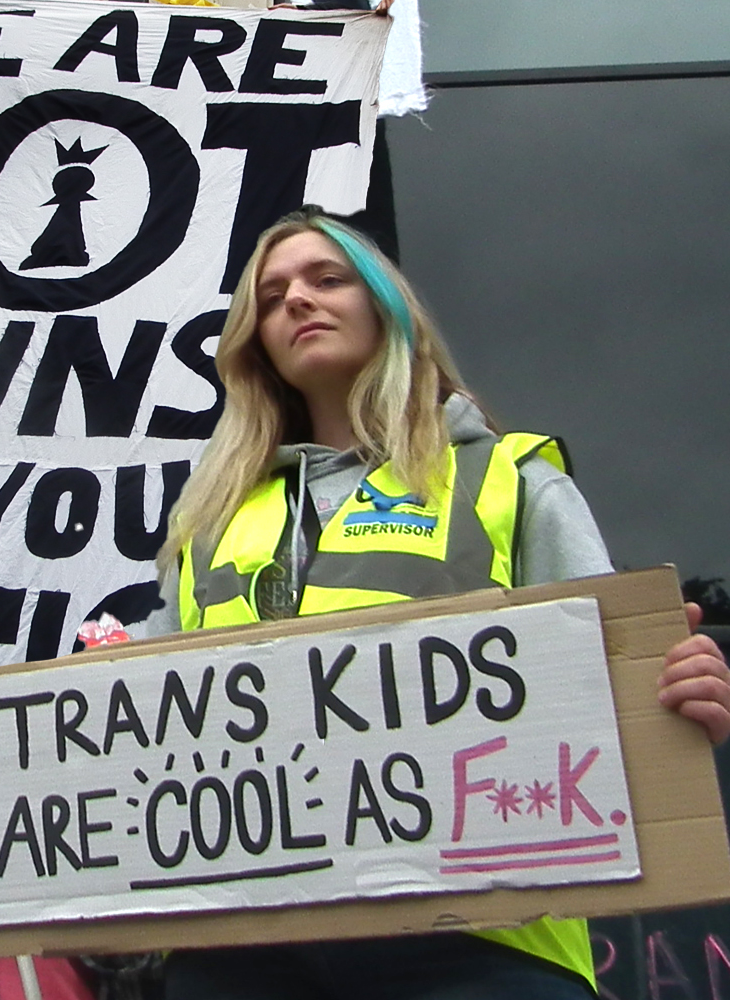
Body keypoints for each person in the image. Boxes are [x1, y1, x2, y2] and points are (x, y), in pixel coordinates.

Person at [136, 207, 730, 998]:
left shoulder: (509, 480)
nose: (296, 301)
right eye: (271, 298)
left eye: (326, 279)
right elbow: (146, 734)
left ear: (386, 305)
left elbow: (613, 689)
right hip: (242, 957)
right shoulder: (210, 521)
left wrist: (676, 693)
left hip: (486, 943)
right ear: (256, 343)